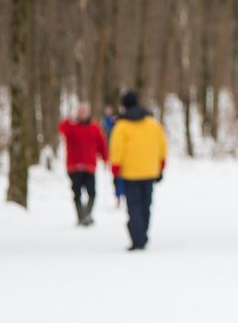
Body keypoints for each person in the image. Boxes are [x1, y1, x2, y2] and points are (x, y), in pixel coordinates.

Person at [108, 90, 167, 250]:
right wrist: (161, 166)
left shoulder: (121, 126)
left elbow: (116, 149)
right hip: (149, 171)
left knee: (133, 207)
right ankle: (143, 235)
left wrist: (115, 170)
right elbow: (162, 145)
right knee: (146, 205)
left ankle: (137, 239)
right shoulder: (152, 123)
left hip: (130, 173)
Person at [58, 103, 108, 226]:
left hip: (89, 166)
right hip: (74, 166)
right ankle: (81, 216)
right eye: (80, 112)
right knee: (77, 192)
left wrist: (106, 158)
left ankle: (87, 214)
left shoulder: (94, 127)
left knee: (92, 193)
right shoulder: (71, 126)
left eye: (84, 112)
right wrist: (70, 120)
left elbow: (101, 144)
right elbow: (61, 129)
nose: (82, 114)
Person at [101, 104, 124, 207]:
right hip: (112, 152)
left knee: (121, 177)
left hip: (123, 154)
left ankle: (121, 197)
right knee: (116, 177)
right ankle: (118, 197)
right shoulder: (107, 122)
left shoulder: (122, 123)